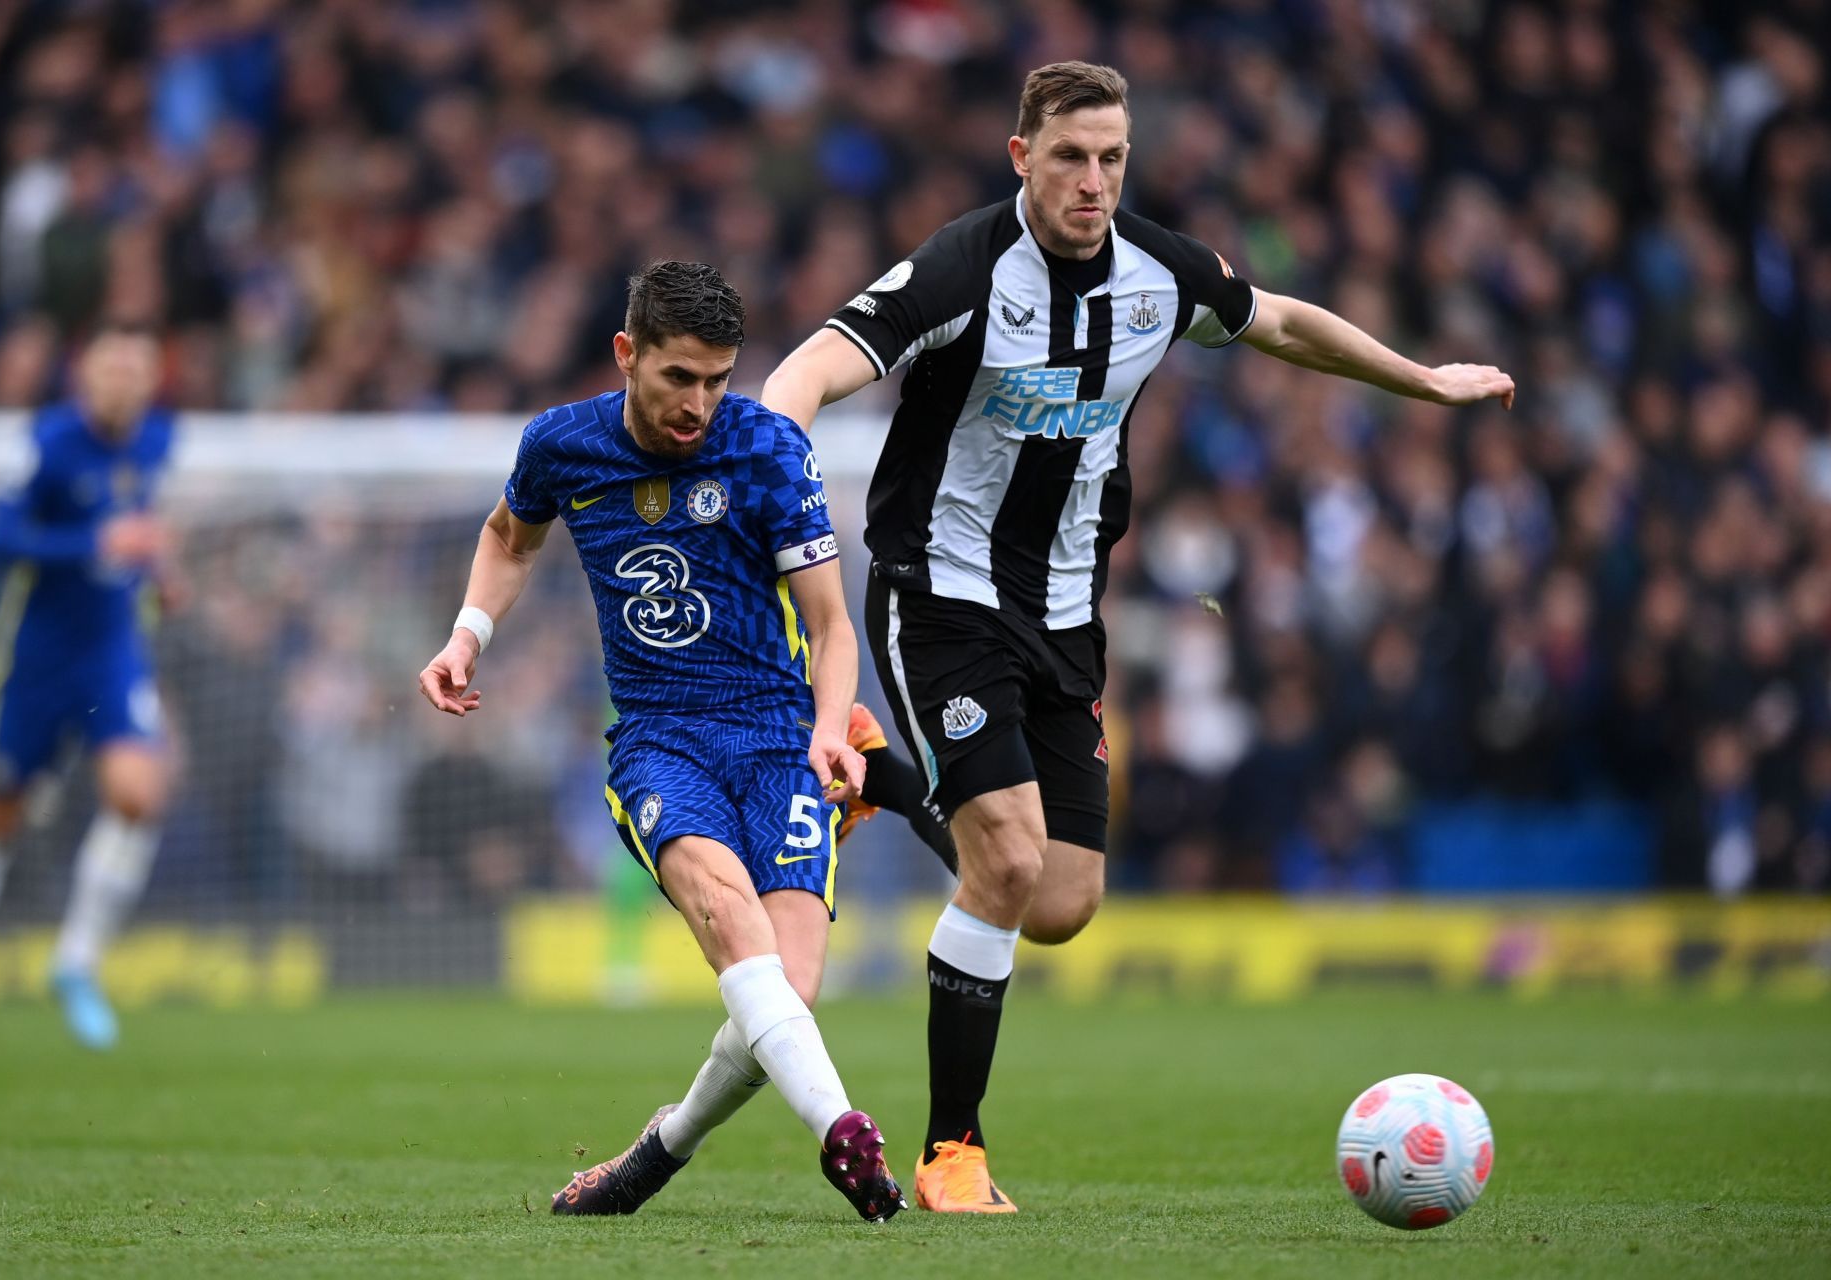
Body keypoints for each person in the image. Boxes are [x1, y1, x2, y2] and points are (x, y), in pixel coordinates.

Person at [761, 60, 1517, 1213]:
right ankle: (951, 1152)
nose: (1094, 181)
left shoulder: (1159, 272)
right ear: (1023, 156)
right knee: (1006, 861)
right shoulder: (963, 267)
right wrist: (780, 466)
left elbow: (1284, 321)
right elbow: (808, 368)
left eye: (1113, 158)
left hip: (1067, 611)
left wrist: (1421, 380)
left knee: (1058, 902)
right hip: (941, 594)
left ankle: (874, 775)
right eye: (1070, 155)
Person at [417, 260, 904, 1222]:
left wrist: (828, 732)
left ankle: (658, 1150)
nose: (701, 403)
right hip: (659, 741)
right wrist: (467, 635)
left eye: (719, 379)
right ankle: (845, 1133)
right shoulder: (562, 445)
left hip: (779, 741)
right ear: (627, 354)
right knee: (735, 930)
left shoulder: (768, 449)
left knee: (784, 999)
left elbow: (832, 624)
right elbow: (510, 539)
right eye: (680, 377)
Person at [0, 322, 179, 1055]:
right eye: (109, 367)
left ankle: (76, 963)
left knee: (137, 795)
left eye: (136, 368)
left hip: (112, 650)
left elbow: (141, 533)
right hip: (37, 658)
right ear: (84, 375)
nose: (122, 381)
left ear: (150, 378)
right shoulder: (48, 442)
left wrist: (162, 573)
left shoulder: (158, 441)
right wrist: (93, 544)